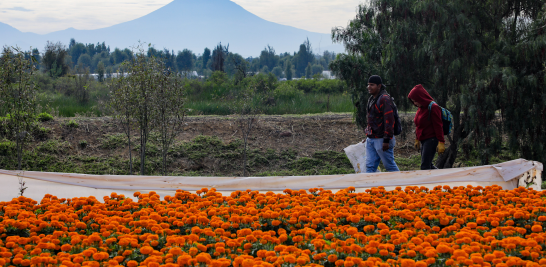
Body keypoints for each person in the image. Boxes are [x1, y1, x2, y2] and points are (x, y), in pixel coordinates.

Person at [364, 75, 400, 173]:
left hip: (381, 139)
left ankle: (401, 186)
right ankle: (370, 187)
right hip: (372, 138)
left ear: (379, 86)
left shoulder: (384, 99)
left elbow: (389, 121)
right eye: (368, 85)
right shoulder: (372, 98)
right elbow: (372, 120)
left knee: (390, 166)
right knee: (369, 166)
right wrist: (368, 134)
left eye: (372, 85)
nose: (369, 87)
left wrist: (386, 140)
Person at [407, 84, 445, 170]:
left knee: (425, 166)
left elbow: (438, 125)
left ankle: (429, 182)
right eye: (413, 101)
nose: (414, 103)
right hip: (423, 139)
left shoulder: (434, 107)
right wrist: (417, 139)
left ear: (421, 98)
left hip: (431, 139)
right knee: (429, 165)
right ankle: (443, 178)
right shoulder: (420, 108)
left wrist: (441, 142)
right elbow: (418, 125)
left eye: (415, 101)